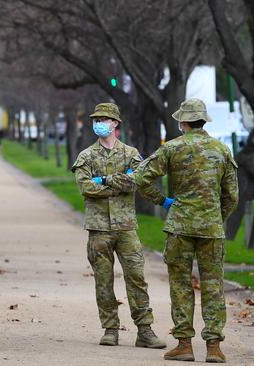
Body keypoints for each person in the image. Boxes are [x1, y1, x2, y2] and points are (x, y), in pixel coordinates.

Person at [130, 99, 239, 363]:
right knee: (213, 287)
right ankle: (214, 347)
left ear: (183, 123)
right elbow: (232, 196)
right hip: (211, 229)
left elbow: (140, 177)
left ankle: (184, 345)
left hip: (180, 226)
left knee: (180, 286)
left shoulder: (173, 148)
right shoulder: (221, 150)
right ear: (203, 121)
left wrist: (161, 200)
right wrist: (215, 216)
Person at [71, 103, 167, 349]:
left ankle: (144, 330)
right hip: (99, 228)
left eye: (103, 119)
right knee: (103, 281)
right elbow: (85, 188)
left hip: (126, 227)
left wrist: (104, 180)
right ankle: (110, 329)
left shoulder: (131, 154)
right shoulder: (86, 156)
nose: (98, 123)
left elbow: (137, 181)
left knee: (136, 277)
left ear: (115, 123)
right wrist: (120, 182)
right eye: (95, 119)